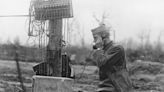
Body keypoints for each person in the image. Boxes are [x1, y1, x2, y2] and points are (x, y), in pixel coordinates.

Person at [86, 24, 132, 92]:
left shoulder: (117, 49)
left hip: (117, 86)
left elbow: (102, 63)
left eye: (95, 38)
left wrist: (98, 48)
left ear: (103, 35)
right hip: (106, 85)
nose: (94, 41)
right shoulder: (104, 50)